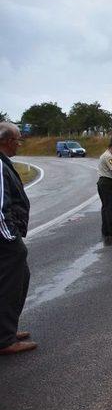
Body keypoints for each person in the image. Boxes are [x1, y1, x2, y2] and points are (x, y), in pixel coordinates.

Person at [0, 122, 37, 355]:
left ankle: (7, 330)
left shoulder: (4, 163)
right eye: (17, 139)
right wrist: (12, 239)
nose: (19, 143)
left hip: (7, 238)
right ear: (6, 141)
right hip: (5, 241)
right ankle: (5, 339)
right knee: (9, 285)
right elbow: (1, 206)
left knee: (19, 280)